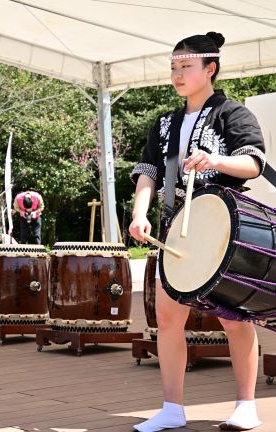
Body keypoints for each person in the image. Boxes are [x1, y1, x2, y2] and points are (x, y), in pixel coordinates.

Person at [128, 32, 265, 432]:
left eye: (185, 66)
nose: (177, 74)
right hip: (176, 228)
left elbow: (253, 163)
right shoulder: (164, 123)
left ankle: (245, 405)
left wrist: (216, 159)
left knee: (236, 318)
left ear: (210, 69)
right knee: (168, 319)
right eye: (173, 67)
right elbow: (148, 174)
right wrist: (140, 214)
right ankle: (172, 407)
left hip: (221, 228)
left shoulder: (233, 113)